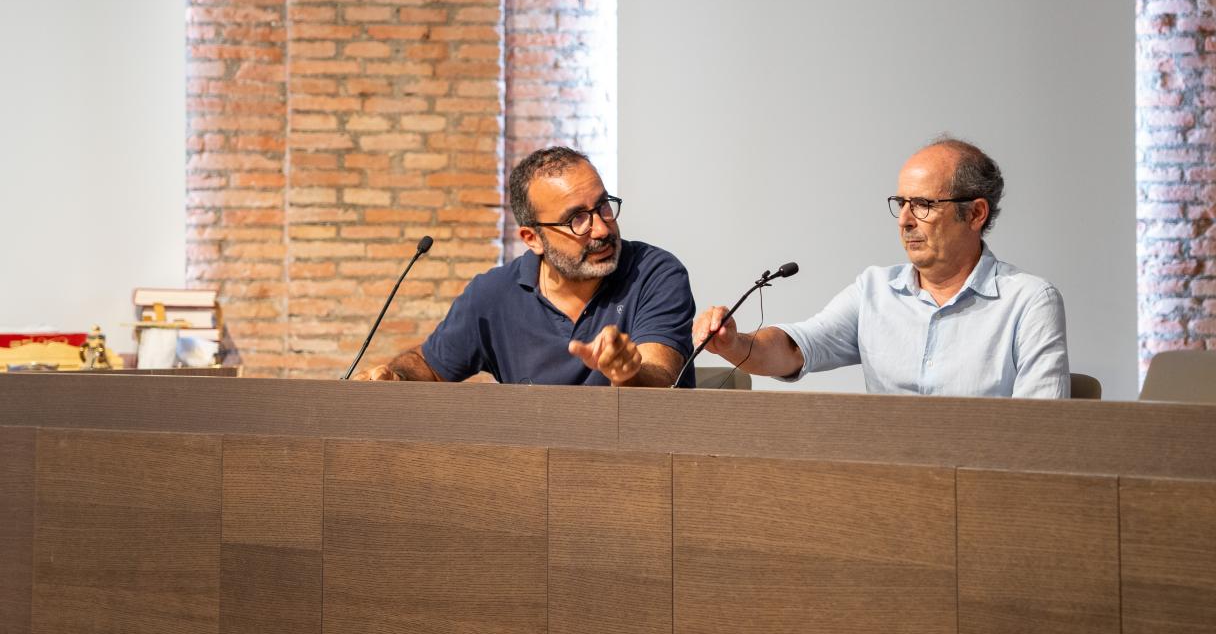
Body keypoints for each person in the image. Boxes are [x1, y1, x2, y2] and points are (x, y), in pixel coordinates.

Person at [692, 138, 1069, 397]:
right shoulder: (875, 291)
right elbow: (795, 348)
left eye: (922, 204)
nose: (904, 220)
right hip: (887, 492)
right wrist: (734, 344)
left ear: (975, 213)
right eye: (901, 202)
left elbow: (1041, 432)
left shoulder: (1029, 302)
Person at [356, 146, 696, 387]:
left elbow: (661, 380)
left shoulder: (654, 273)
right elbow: (429, 365)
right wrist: (394, 375)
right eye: (577, 219)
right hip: (532, 477)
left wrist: (628, 372)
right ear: (532, 238)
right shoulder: (493, 296)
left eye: (603, 206)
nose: (603, 229)